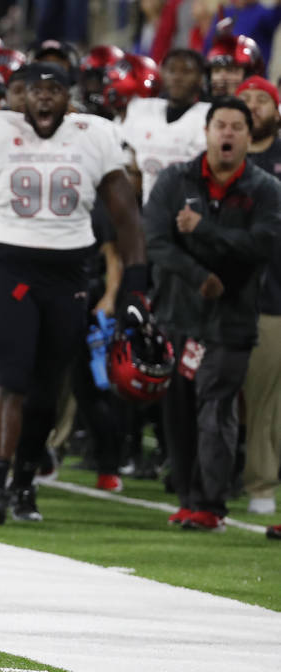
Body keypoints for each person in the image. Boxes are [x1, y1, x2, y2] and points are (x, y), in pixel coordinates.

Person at [0, 63, 150, 525]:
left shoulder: (94, 135)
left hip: (69, 272)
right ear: (21, 97)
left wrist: (133, 286)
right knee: (7, 379)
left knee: (47, 391)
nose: (45, 99)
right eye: (36, 91)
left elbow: (127, 216)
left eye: (54, 91)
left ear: (67, 98)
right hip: (6, 267)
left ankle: (25, 482)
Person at [145, 96, 281, 531]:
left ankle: (210, 503)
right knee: (178, 410)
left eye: (237, 127)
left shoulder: (266, 191)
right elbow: (156, 240)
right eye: (220, 125)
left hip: (231, 319)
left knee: (215, 405)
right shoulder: (174, 179)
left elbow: (264, 245)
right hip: (178, 313)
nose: (227, 133)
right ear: (205, 132)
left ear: (249, 136)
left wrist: (204, 230)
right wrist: (198, 273)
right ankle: (188, 496)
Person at [236, 75, 281, 515]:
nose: (252, 106)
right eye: (245, 100)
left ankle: (261, 486)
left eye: (261, 100)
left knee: (267, 397)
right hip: (223, 294)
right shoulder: (219, 159)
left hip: (274, 294)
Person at [119, 48, 209, 204]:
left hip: (194, 214)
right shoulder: (143, 109)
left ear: (201, 78)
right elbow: (133, 171)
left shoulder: (210, 116)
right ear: (162, 74)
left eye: (186, 71)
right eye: (171, 70)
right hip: (150, 213)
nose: (177, 77)